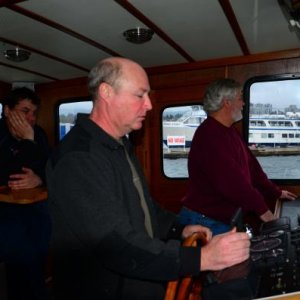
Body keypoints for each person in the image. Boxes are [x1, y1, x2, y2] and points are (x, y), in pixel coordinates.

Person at [46, 57, 250, 300]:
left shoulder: (119, 144)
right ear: (106, 92)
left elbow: (143, 204)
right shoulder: (78, 158)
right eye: (140, 95)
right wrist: (203, 258)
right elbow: (113, 245)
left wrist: (179, 228)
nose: (150, 105)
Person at [180, 78, 297, 236]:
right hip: (205, 222)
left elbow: (253, 169)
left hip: (222, 219)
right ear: (227, 103)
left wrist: (275, 192)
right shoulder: (209, 135)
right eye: (240, 98)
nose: (243, 103)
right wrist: (268, 217)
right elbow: (235, 183)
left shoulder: (230, 131)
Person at [0, 87, 51, 300]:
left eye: (34, 113)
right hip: (6, 212)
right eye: (25, 111)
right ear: (7, 111)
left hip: (36, 209)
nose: (31, 118)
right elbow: (11, 173)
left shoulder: (39, 133)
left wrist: (40, 178)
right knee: (20, 264)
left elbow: (50, 167)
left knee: (38, 260)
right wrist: (28, 141)